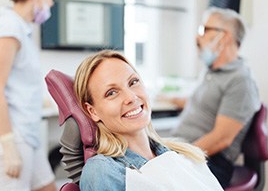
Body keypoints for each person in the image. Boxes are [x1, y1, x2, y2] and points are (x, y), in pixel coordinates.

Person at [73, 50, 223, 191]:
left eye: (133, 82)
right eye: (112, 93)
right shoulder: (102, 171)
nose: (131, 97)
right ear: (93, 111)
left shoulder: (184, 154)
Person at [165, 7, 260, 188]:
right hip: (186, 150)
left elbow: (221, 138)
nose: (197, 38)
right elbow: (202, 104)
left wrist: (178, 158)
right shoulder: (212, 72)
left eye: (203, 30)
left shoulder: (241, 81)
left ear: (224, 37)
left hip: (210, 160)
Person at [0, 0, 56, 190]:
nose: (51, 2)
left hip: (26, 131)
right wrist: (8, 145)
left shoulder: (20, 29)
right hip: (8, 133)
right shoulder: (8, 29)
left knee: (48, 187)